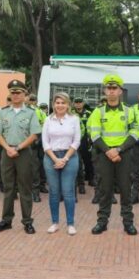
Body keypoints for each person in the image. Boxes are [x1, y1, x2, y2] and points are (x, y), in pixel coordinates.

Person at [87, 74, 138, 235]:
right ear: (104, 90)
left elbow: (135, 133)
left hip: (124, 154)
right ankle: (102, 222)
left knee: (125, 189)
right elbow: (94, 135)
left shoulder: (130, 111)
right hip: (104, 154)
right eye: (108, 88)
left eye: (114, 88)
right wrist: (109, 151)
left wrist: (119, 150)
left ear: (120, 91)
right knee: (104, 189)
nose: (111, 91)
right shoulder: (98, 112)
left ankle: (128, 222)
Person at [0, 80, 43, 234]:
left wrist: (18, 148)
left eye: (18, 92)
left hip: (24, 154)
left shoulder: (31, 113)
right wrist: (8, 148)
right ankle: (6, 220)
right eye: (13, 92)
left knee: (25, 188)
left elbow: (34, 134)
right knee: (8, 188)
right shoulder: (3, 112)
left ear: (24, 95)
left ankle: (27, 221)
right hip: (7, 153)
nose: (15, 95)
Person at [42, 92, 81, 235]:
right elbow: (45, 142)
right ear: (53, 105)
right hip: (51, 156)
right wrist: (55, 159)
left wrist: (64, 159)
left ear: (68, 105)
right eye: (57, 102)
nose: (60, 105)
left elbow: (77, 141)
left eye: (63, 102)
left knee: (68, 191)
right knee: (54, 192)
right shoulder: (48, 120)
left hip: (69, 156)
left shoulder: (74, 119)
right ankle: (55, 223)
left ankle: (70, 224)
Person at [27, 93, 48, 201]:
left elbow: (45, 126)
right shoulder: (24, 112)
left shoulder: (40, 112)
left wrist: (39, 139)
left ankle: (40, 187)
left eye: (34, 100)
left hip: (39, 142)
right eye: (30, 99)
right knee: (32, 167)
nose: (32, 101)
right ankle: (33, 190)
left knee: (40, 165)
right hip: (27, 142)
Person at [72, 97, 93, 195]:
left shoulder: (88, 113)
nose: (78, 104)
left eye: (80, 102)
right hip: (73, 141)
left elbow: (91, 125)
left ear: (83, 103)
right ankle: (79, 185)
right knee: (77, 163)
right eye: (76, 102)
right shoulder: (71, 113)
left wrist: (90, 138)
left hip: (85, 140)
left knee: (88, 161)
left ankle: (90, 179)